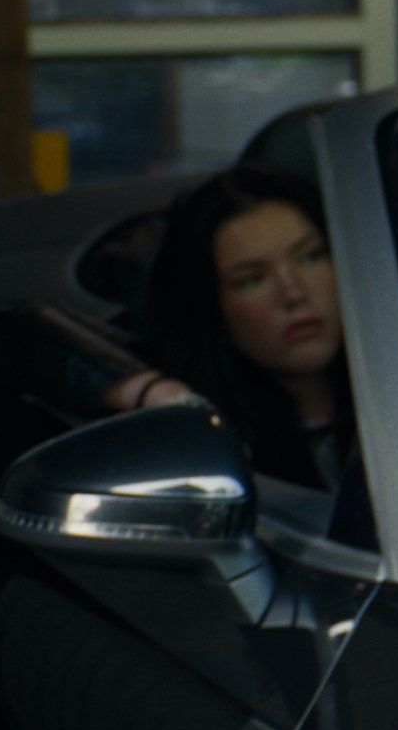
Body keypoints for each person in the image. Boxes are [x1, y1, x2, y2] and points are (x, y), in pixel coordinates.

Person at [124, 163, 356, 496]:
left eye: (311, 257)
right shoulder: (219, 448)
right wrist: (150, 390)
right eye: (252, 279)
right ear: (211, 306)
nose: (293, 293)